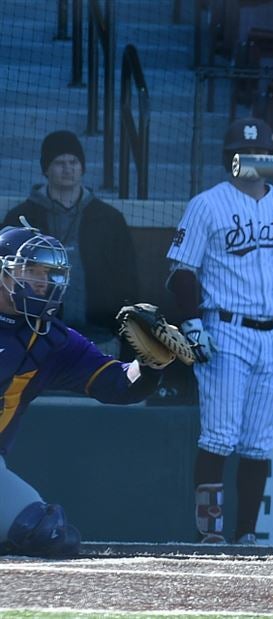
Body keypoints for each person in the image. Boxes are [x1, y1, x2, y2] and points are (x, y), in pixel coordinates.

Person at [166, 118, 273, 545]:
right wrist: (193, 322)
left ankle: (247, 534)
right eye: (241, 153)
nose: (249, 162)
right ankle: (210, 534)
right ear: (227, 158)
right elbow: (182, 269)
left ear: (270, 159)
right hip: (225, 329)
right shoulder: (206, 204)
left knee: (258, 443)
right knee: (219, 435)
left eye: (258, 154)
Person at [0, 224, 164, 558]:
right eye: (31, 271)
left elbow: (119, 384)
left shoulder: (49, 339)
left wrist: (151, 363)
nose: (42, 282)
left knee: (49, 532)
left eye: (48, 273)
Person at [4, 130, 138, 354]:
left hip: (100, 335)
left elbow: (128, 280)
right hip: (36, 338)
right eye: (59, 162)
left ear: (82, 167)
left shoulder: (110, 219)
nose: (68, 168)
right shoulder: (22, 218)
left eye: (73, 161)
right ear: (46, 169)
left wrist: (123, 333)